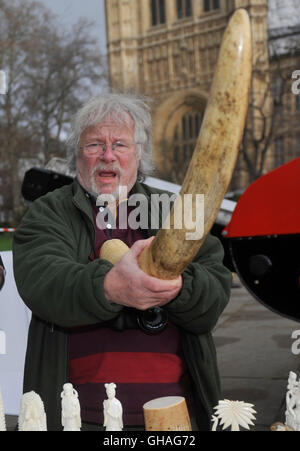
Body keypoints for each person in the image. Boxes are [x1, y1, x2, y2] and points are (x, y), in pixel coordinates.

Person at [13, 92, 232, 431]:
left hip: (176, 416)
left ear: (138, 154)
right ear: (77, 155)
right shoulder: (50, 212)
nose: (108, 156)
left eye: (121, 144)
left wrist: (177, 286)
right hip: (80, 418)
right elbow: (43, 282)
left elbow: (213, 296)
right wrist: (111, 287)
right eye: (94, 145)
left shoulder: (175, 212)